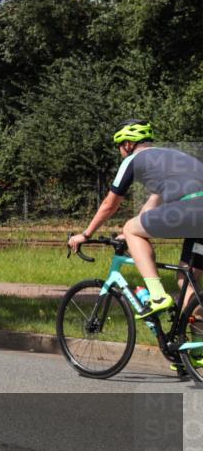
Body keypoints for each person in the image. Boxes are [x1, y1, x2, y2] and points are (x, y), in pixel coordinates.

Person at [69, 120, 203, 318]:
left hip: (191, 208)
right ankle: (196, 347)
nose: (120, 152)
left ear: (128, 144)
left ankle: (157, 295)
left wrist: (85, 234)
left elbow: (110, 204)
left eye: (119, 147)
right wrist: (128, 234)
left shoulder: (132, 160)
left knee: (131, 227)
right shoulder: (173, 157)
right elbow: (152, 203)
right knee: (186, 281)